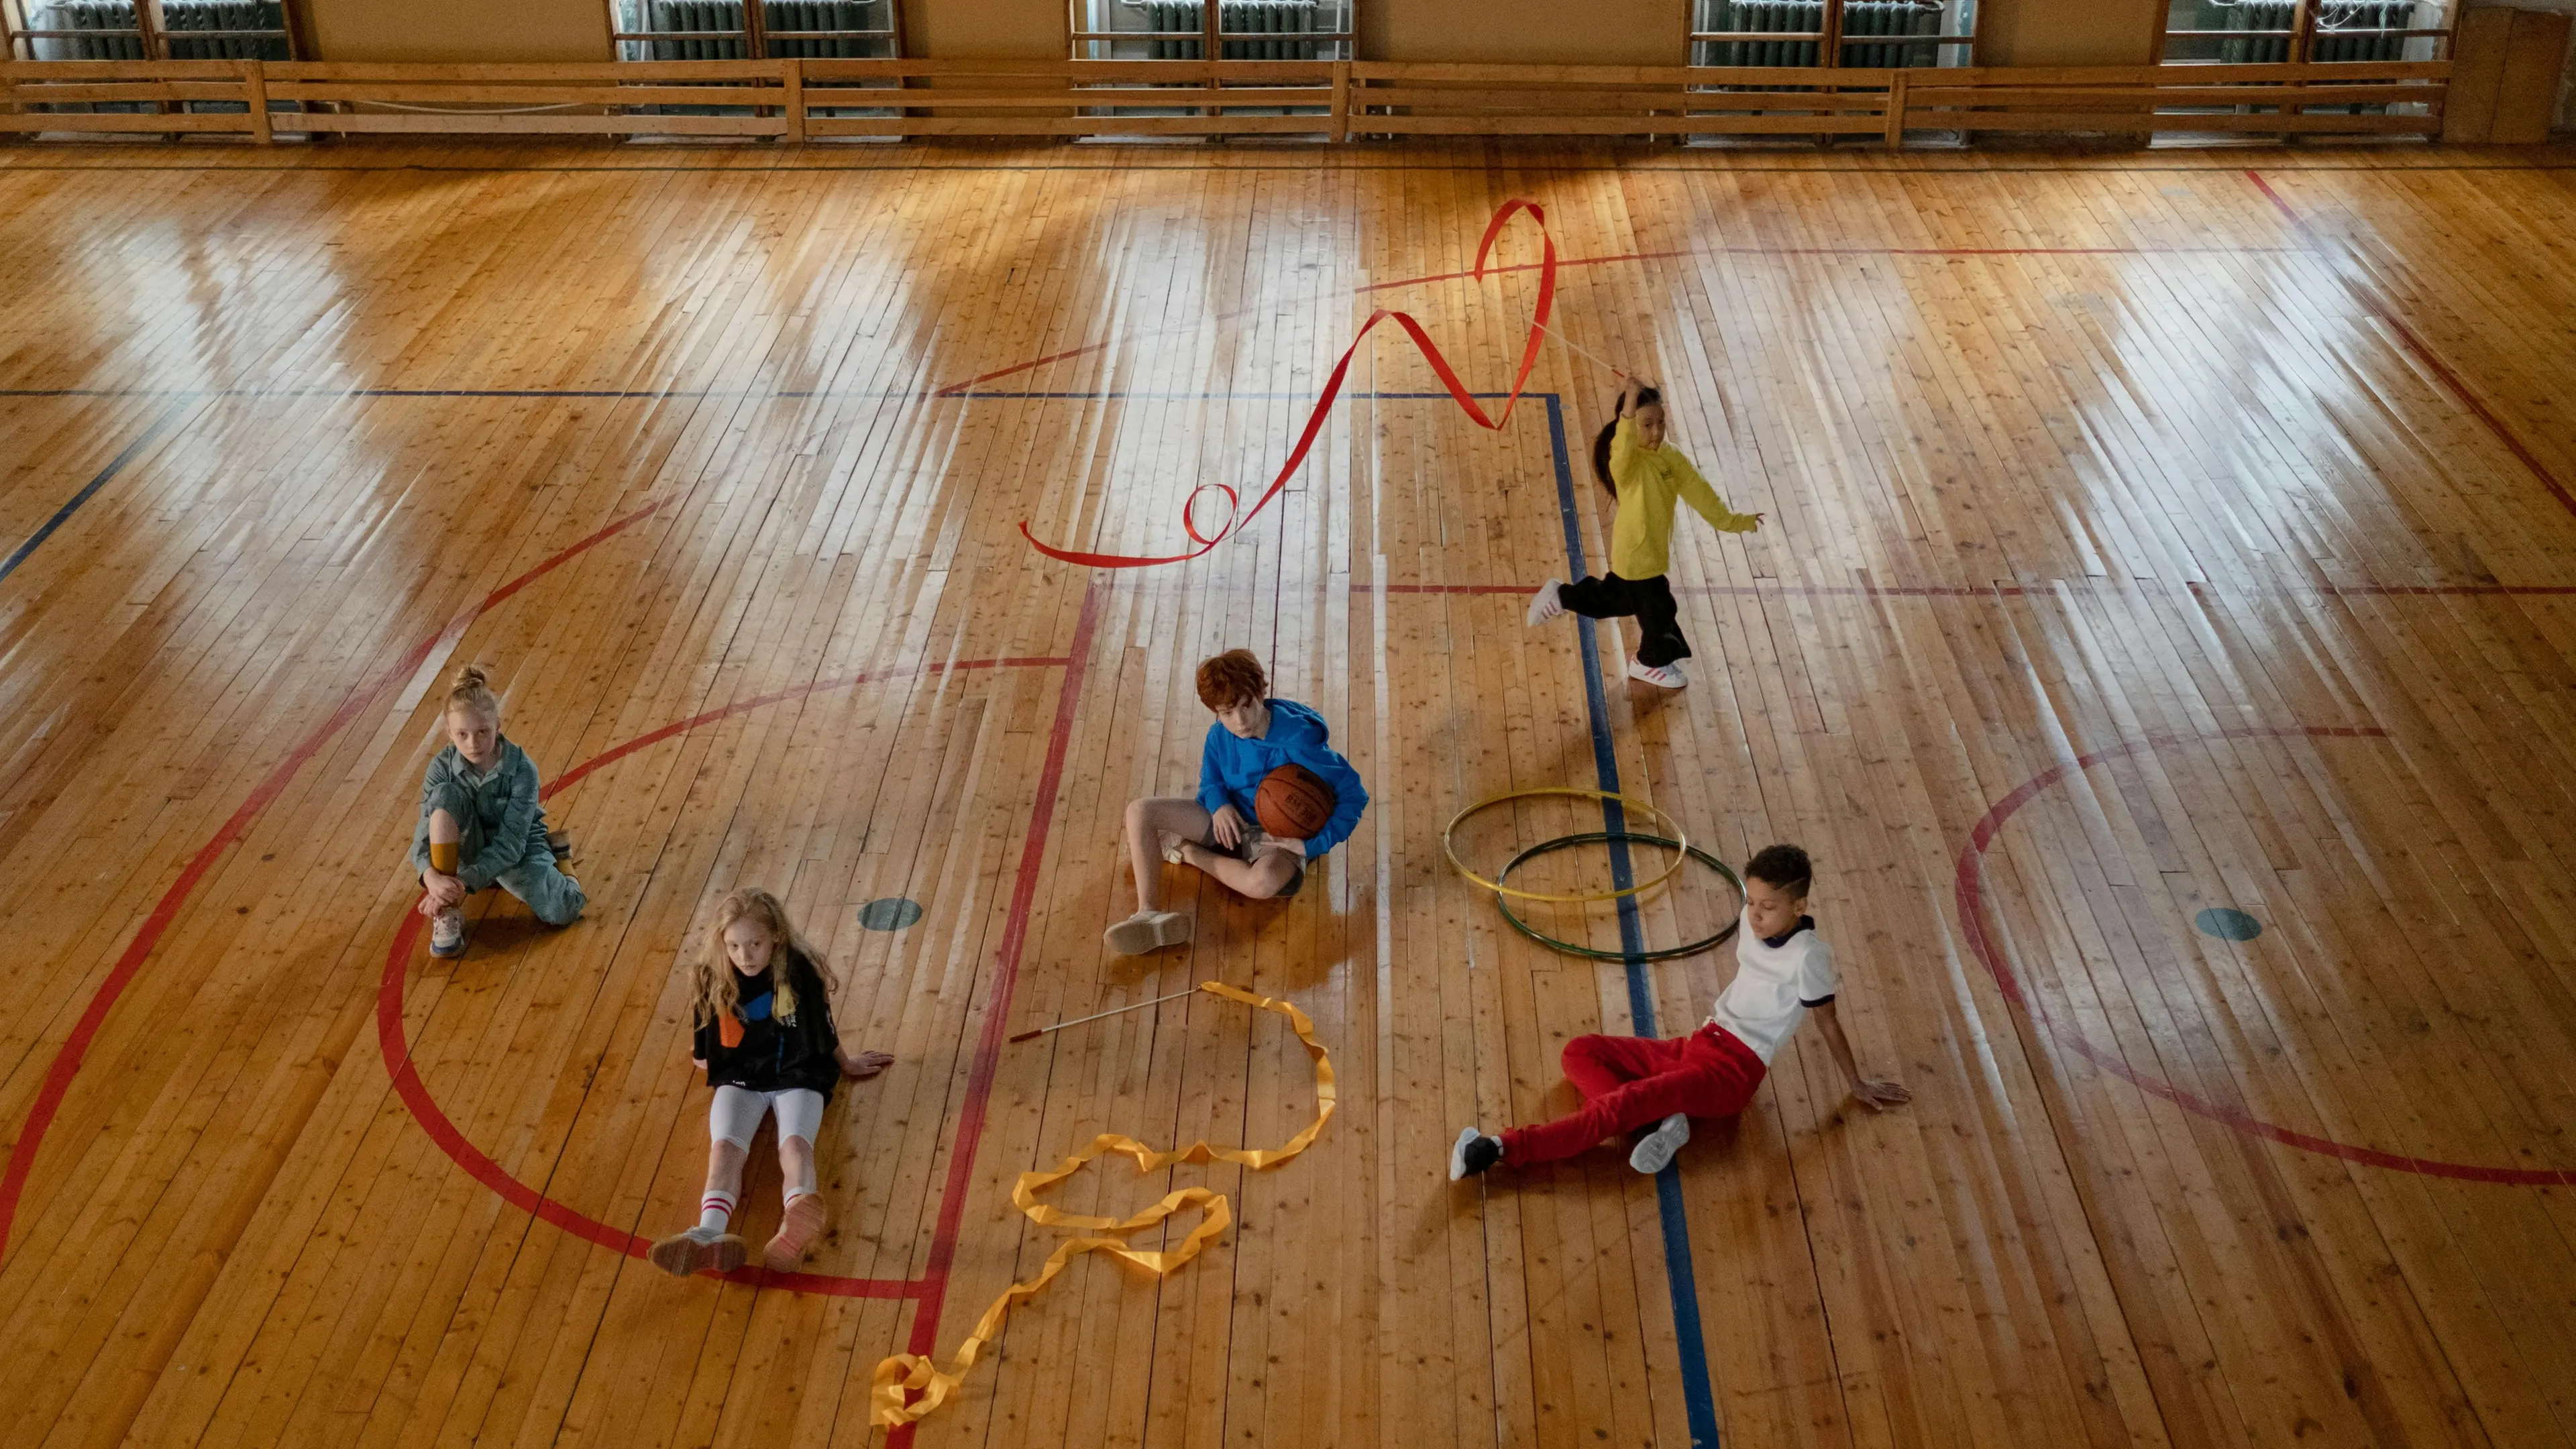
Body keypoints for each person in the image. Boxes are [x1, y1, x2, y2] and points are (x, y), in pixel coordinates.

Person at [1448, 843, 1907, 1179]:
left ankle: (1500, 1148)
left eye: (1768, 907)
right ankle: (1663, 1121)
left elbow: (1826, 1020)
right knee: (1579, 1052)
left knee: (1622, 1102)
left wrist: (1856, 1083)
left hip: (1732, 1072)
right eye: (1750, 902)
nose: (1754, 916)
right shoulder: (1755, 925)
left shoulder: (1810, 957)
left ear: (1800, 906)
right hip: (1699, 1043)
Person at [649, 888, 894, 1277]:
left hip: (799, 1074)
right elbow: (703, 1041)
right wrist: (706, 1058)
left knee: (795, 1145)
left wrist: (846, 1062)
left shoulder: (800, 973)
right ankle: (709, 1234)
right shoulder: (710, 975)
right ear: (721, 943)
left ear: (776, 937)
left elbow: (823, 1029)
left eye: (755, 944)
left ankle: (793, 1223)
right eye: (733, 946)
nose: (744, 956)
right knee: (726, 1151)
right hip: (741, 1080)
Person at [1105, 649, 1368, 956]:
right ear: (1216, 711)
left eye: (1246, 706)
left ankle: (1187, 852)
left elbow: (1354, 795)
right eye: (1227, 713)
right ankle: (1148, 915)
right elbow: (1211, 782)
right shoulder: (1218, 736)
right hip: (1232, 824)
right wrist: (1219, 805)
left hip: (1278, 838)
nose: (1240, 721)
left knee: (1262, 884)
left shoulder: (1301, 741)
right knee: (1140, 811)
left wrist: (1312, 845)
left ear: (1261, 693)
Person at [1525, 375, 1763, 690]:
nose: (1656, 431)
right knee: (1658, 609)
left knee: (1617, 602)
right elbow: (1621, 447)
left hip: (1651, 554)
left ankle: (1564, 595)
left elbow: (1701, 494)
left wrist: (1734, 521)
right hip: (1637, 553)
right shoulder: (1627, 464)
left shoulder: (1672, 457)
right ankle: (1650, 662)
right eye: (1646, 425)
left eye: (1660, 422)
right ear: (1630, 425)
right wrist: (1630, 400)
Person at [409, 664, 585, 959]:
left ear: (498, 726)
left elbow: (512, 844)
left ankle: (562, 859)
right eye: (462, 734)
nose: (473, 743)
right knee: (443, 797)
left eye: (483, 732)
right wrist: (432, 878)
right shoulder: (440, 767)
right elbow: (422, 835)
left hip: (514, 849)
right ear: (448, 732)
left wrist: (464, 882)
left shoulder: (522, 769)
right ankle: (447, 912)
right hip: (467, 848)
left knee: (564, 910)